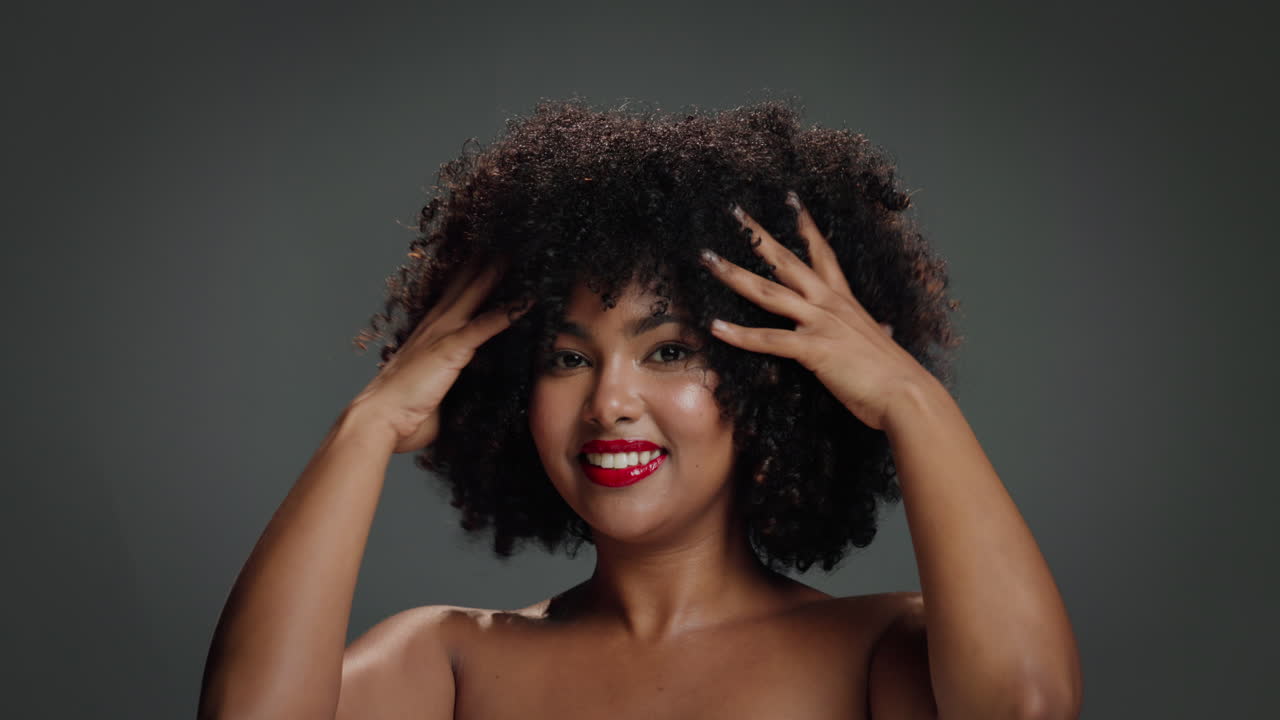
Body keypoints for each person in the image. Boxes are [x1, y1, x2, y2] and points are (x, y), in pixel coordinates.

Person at [199, 98, 1082, 719]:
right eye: (567, 357)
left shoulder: (878, 652)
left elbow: (1025, 706)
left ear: (767, 377)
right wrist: (368, 427)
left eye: (669, 352)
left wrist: (908, 397)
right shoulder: (454, 661)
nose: (610, 401)